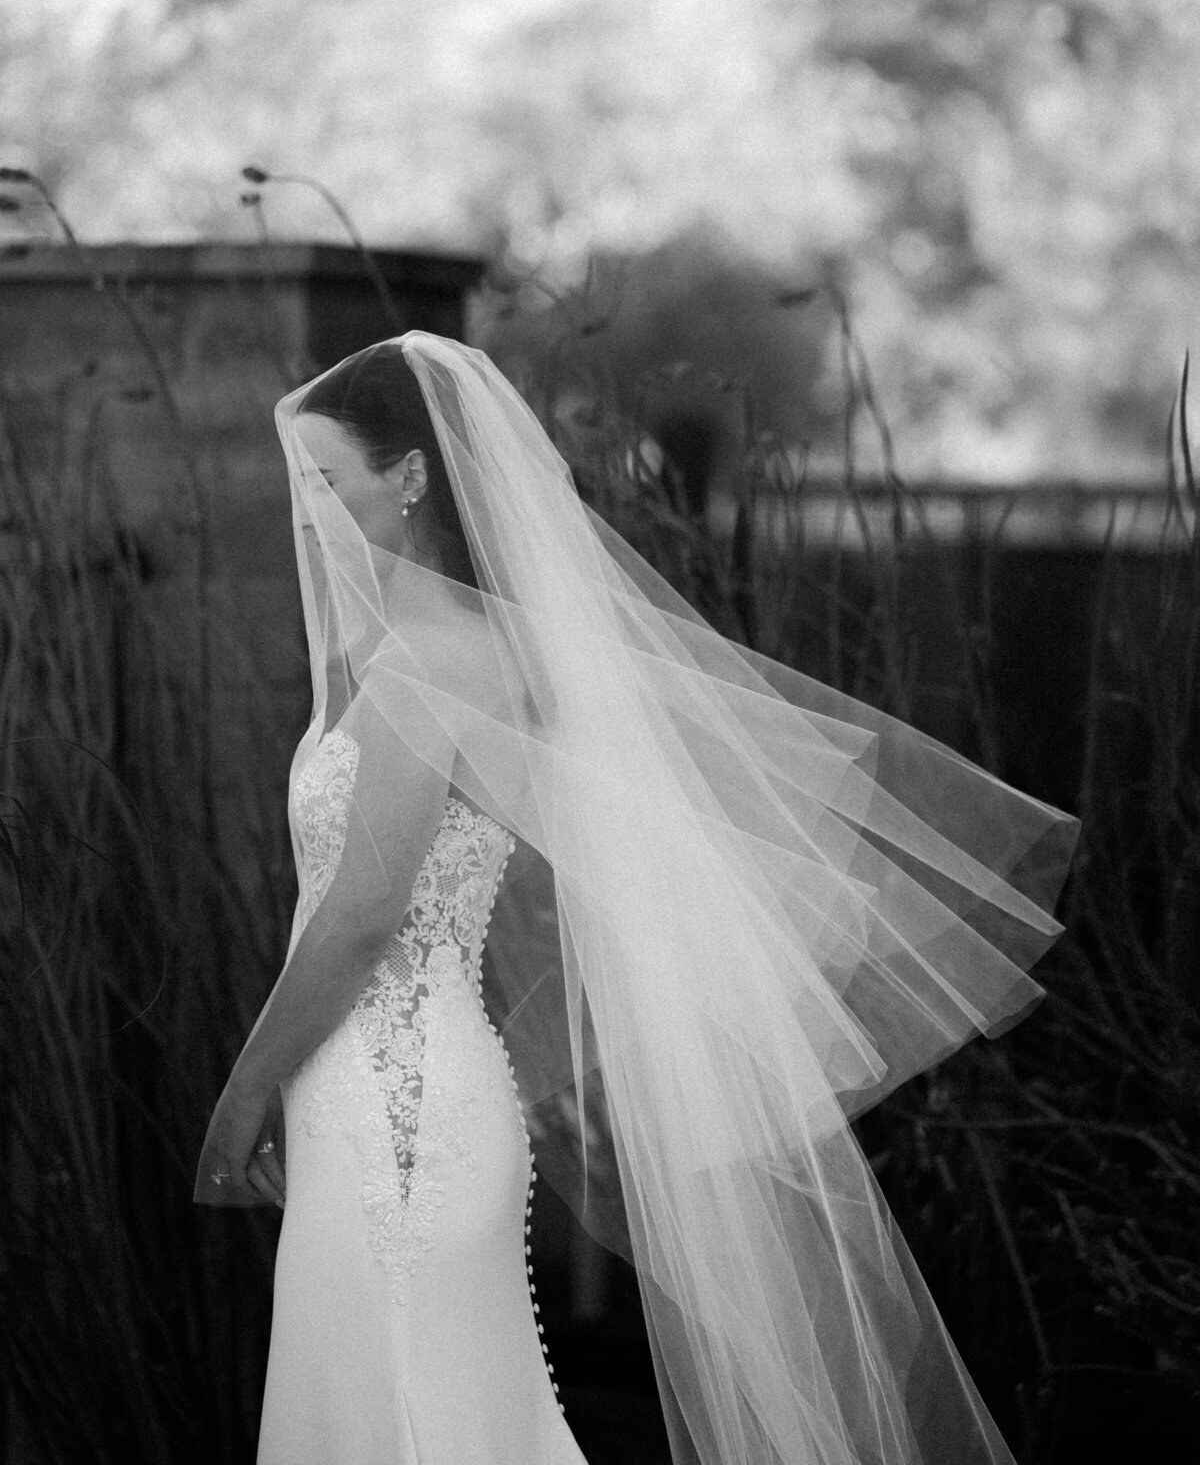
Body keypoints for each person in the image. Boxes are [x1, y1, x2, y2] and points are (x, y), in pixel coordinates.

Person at [196, 333, 1078, 1465]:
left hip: (398, 1111)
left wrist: (240, 1094)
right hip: (371, 1094)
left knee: (413, 1416)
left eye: (327, 478)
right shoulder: (420, 652)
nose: (307, 508)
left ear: (410, 476)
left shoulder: (436, 665)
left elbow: (363, 918)